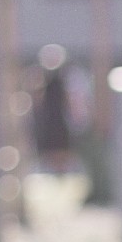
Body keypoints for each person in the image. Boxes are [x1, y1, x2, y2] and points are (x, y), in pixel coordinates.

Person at [30, 45, 76, 175]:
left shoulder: (65, 79)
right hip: (49, 123)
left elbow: (70, 102)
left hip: (59, 123)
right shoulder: (41, 79)